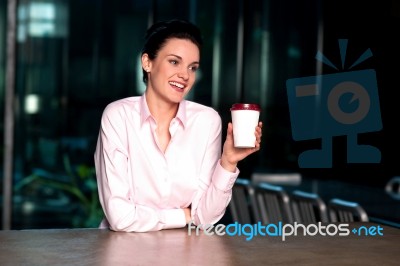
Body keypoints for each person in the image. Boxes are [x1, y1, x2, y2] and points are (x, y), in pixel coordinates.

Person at [94, 19, 262, 232]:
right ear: (147, 63)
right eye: (174, 62)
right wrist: (183, 215)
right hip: (123, 252)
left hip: (187, 252)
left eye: (193, 67)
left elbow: (205, 217)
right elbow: (120, 217)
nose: (185, 75)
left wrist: (228, 162)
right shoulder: (118, 116)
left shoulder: (206, 121)